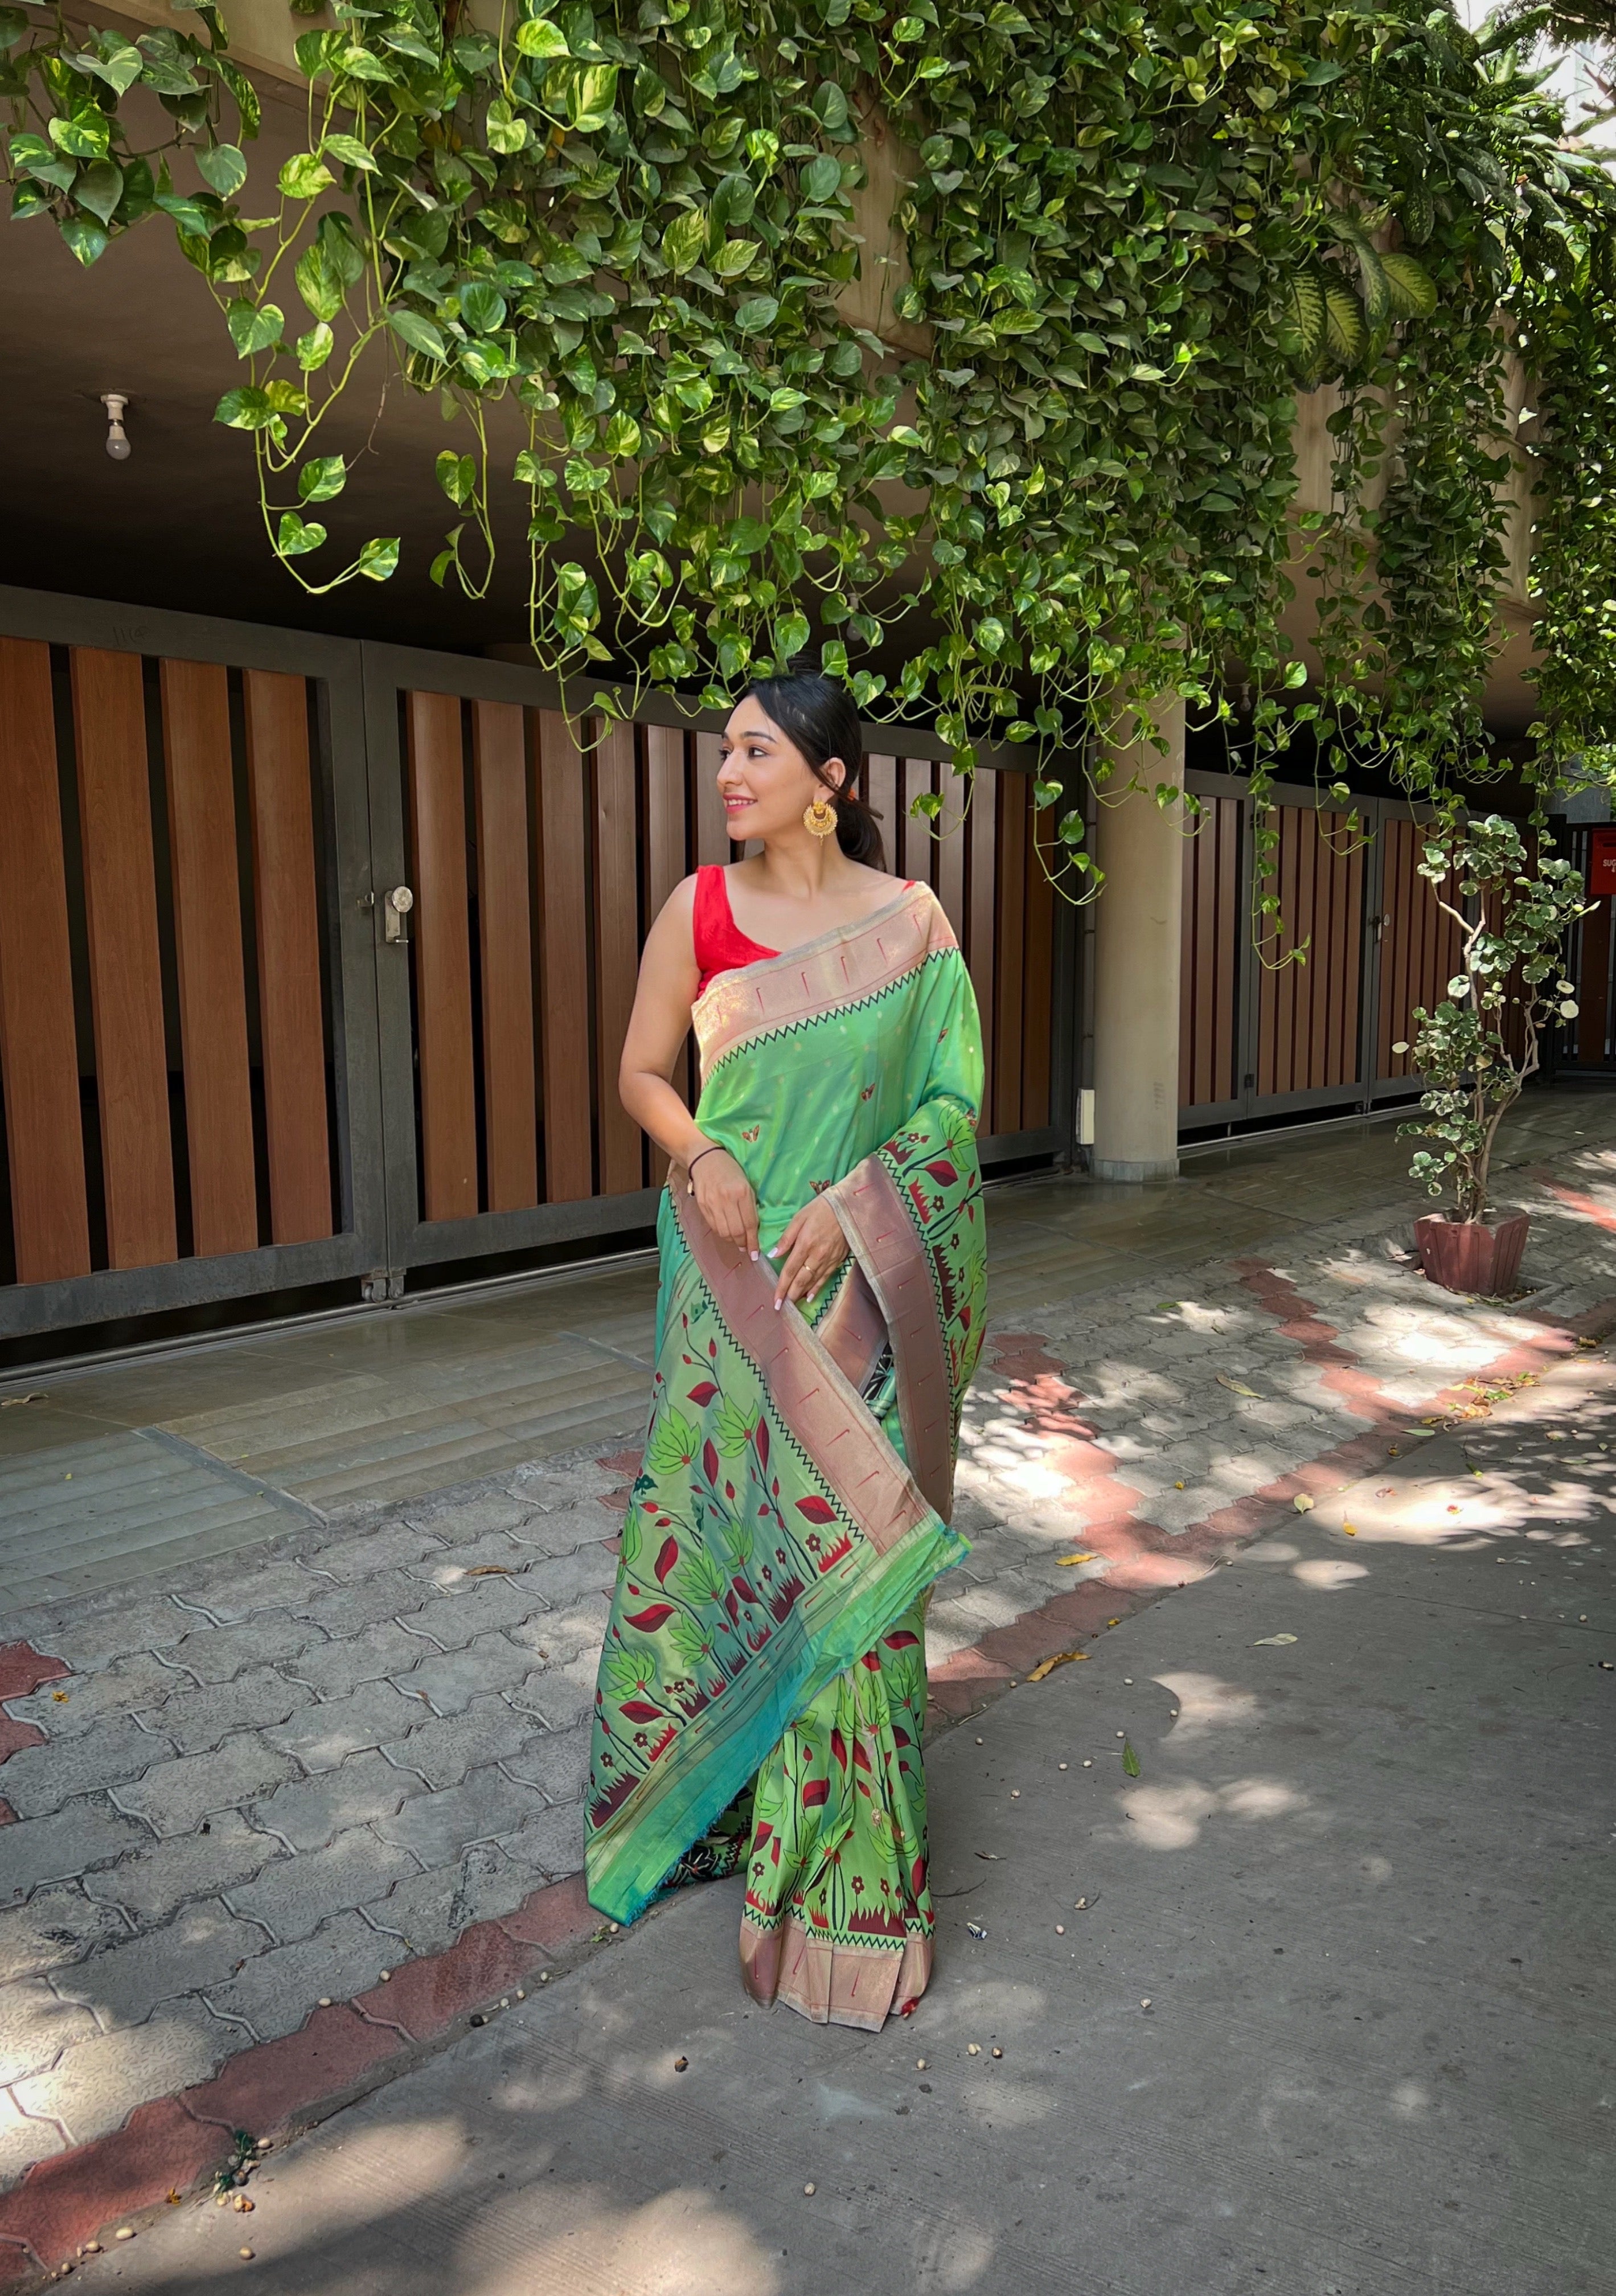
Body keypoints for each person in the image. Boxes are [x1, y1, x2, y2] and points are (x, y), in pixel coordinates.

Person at [583, 673, 987, 2030]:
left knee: (852, 1573)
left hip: (859, 1286)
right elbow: (644, 1071)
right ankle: (709, 1803)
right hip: (726, 1281)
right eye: (724, 751)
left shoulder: (914, 928)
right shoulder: (696, 910)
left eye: (756, 750)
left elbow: (952, 1102)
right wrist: (701, 1151)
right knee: (724, 1539)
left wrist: (854, 1201)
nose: (727, 772)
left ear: (836, 780)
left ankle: (846, 1895)